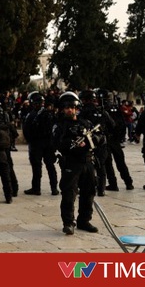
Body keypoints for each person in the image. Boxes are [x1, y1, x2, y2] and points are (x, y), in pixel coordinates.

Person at [53, 91, 102, 235]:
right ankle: (68, 222)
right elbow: (56, 143)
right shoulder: (60, 125)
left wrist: (90, 141)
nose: (70, 110)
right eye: (67, 107)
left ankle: (84, 220)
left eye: (72, 107)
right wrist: (71, 143)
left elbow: (101, 136)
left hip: (87, 161)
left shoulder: (85, 123)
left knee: (89, 192)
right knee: (69, 193)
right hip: (71, 164)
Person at [78, 89, 114, 197]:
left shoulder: (82, 112)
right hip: (101, 142)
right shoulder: (102, 111)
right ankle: (101, 189)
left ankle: (86, 187)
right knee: (101, 166)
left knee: (85, 166)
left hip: (87, 143)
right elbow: (112, 125)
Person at [23, 92, 59, 195]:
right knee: (50, 166)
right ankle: (54, 188)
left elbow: (26, 130)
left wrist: (30, 141)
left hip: (36, 144)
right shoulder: (50, 114)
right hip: (48, 144)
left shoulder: (31, 115)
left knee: (36, 166)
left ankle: (36, 188)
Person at [99, 88, 134, 191]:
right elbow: (122, 124)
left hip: (107, 140)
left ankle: (113, 184)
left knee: (108, 163)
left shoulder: (102, 110)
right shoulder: (116, 108)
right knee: (120, 162)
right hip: (115, 140)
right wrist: (119, 138)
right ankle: (128, 182)